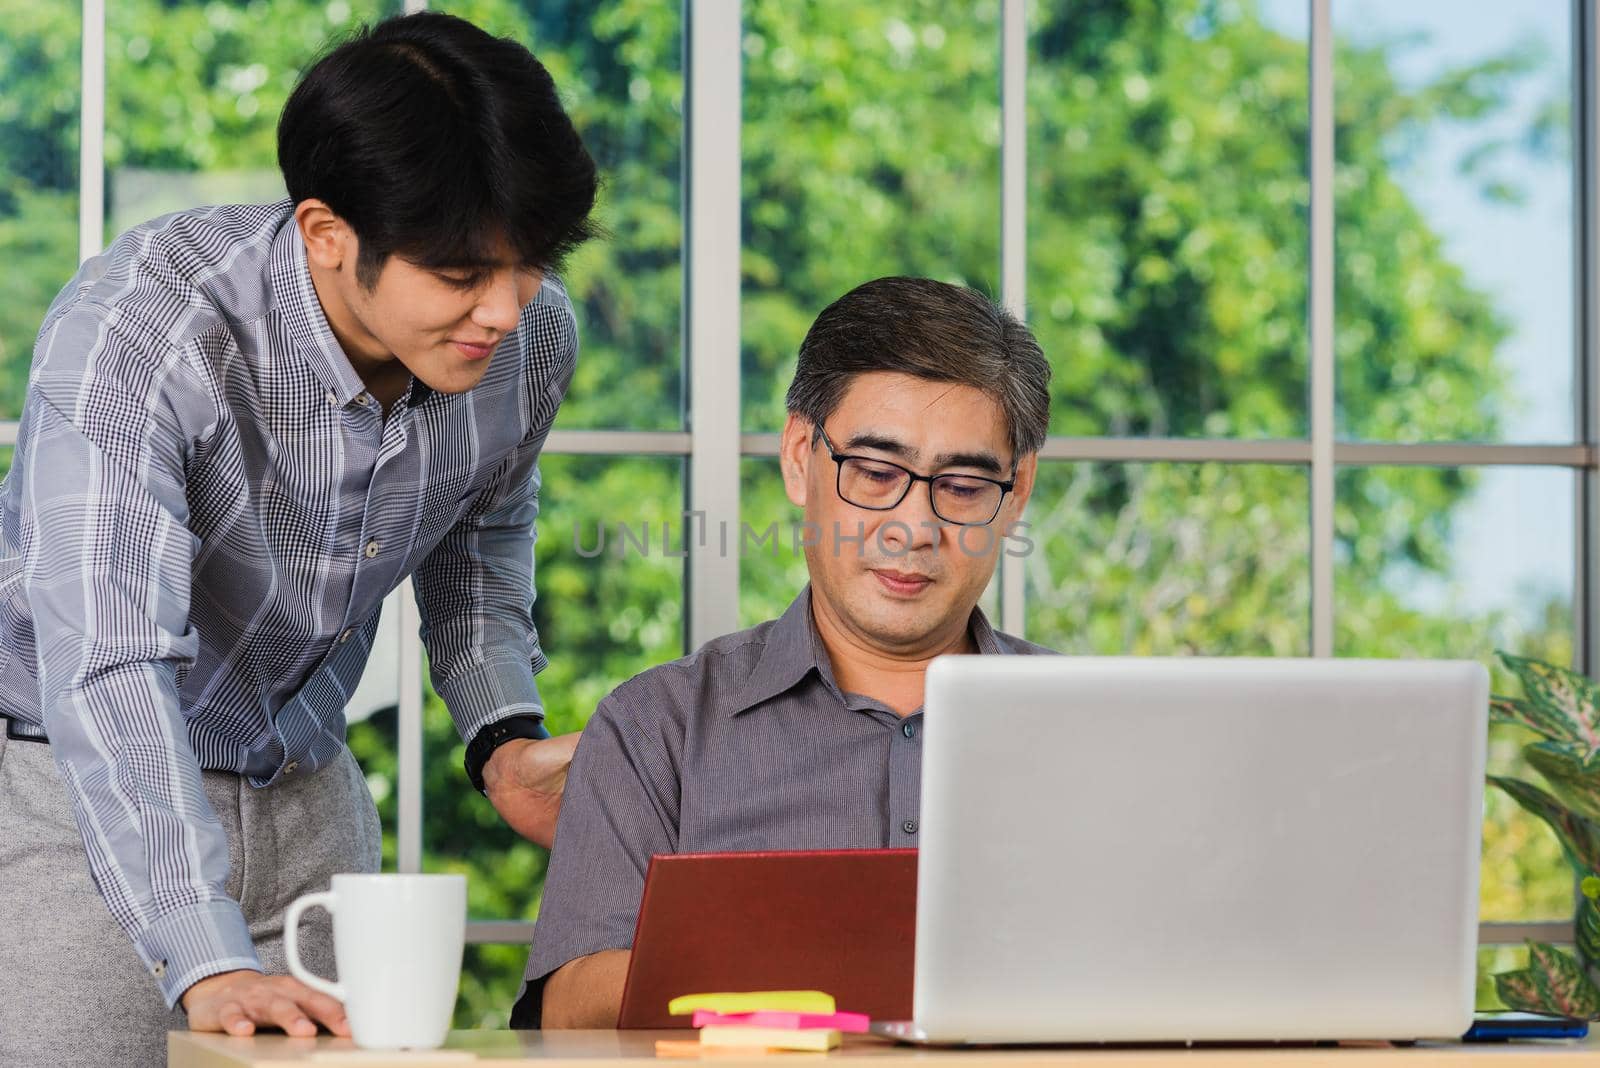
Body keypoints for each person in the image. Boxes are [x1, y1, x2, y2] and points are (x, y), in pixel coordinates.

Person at [0, 13, 596, 1066]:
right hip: (77, 798)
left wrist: (502, 737)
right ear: (327, 232)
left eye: (532, 263)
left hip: (311, 797)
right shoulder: (141, 333)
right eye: (462, 272)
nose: (505, 311)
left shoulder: (527, 336)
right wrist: (202, 950)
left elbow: (478, 544)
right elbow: (107, 661)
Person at [515, 276, 1055, 1029]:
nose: (913, 526)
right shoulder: (657, 727)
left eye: (963, 486)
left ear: (1017, 489)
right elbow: (570, 1012)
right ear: (801, 456)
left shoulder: (1089, 731)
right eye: (874, 473)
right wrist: (815, 963)